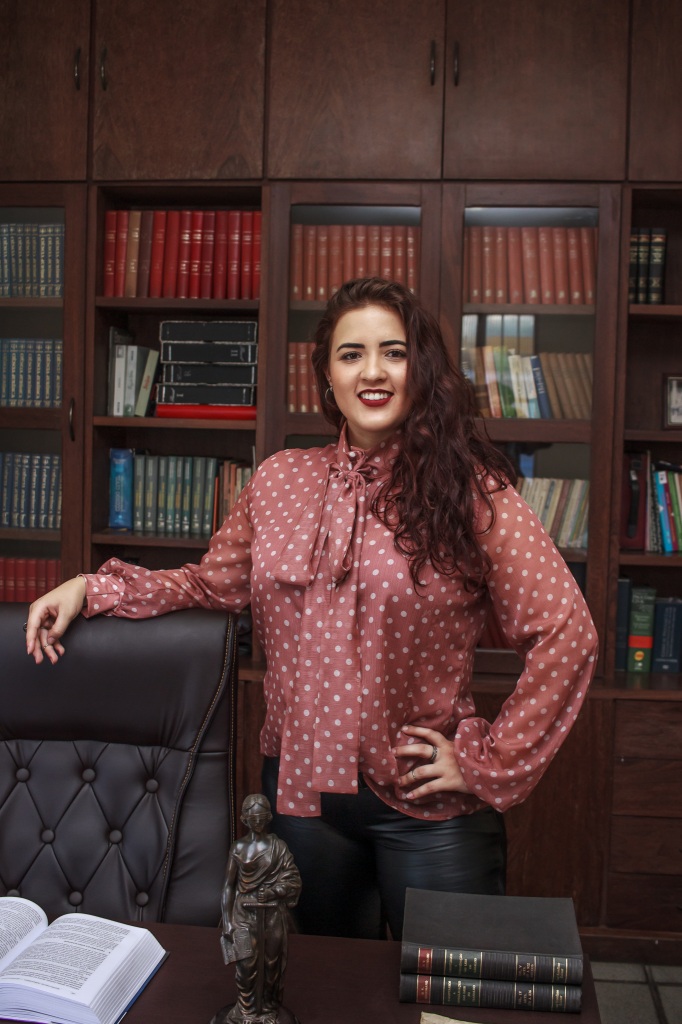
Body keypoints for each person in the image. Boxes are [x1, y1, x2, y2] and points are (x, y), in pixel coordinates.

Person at [25, 277, 598, 941]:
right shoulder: (279, 479)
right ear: (327, 375)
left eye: (393, 352)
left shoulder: (473, 490)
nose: (373, 371)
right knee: (325, 988)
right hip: (302, 804)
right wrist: (94, 589)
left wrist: (486, 761)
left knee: (445, 991)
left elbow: (567, 632)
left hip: (429, 810)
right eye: (352, 354)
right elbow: (210, 587)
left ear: (420, 368)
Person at [219, 794, 301, 1024]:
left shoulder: (278, 847)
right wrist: (227, 921)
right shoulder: (238, 848)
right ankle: (246, 1010)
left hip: (272, 915)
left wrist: (274, 891)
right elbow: (228, 886)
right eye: (253, 818)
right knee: (246, 966)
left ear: (269, 818)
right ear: (244, 819)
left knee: (272, 964)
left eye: (262, 817)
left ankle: (267, 1009)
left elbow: (293, 879)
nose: (257, 822)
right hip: (243, 915)